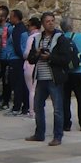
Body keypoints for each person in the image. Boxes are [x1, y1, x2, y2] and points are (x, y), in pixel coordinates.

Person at [25, 10, 66, 146]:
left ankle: (58, 136)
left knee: (58, 108)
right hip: (41, 78)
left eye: (52, 21)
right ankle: (39, 133)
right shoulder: (37, 39)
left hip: (54, 78)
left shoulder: (60, 38)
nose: (51, 24)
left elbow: (65, 58)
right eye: (47, 21)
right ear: (42, 24)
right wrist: (36, 53)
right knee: (38, 105)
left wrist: (50, 57)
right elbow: (30, 59)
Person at [60, 15, 81, 132]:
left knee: (65, 99)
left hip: (65, 72)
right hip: (79, 71)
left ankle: (66, 124)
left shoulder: (60, 38)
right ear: (71, 26)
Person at [2, 8, 28, 115]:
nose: (10, 19)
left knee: (17, 84)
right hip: (19, 59)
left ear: (15, 17)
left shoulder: (17, 30)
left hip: (16, 60)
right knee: (22, 84)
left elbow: (17, 46)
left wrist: (21, 56)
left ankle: (17, 107)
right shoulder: (22, 28)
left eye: (11, 16)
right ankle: (24, 106)